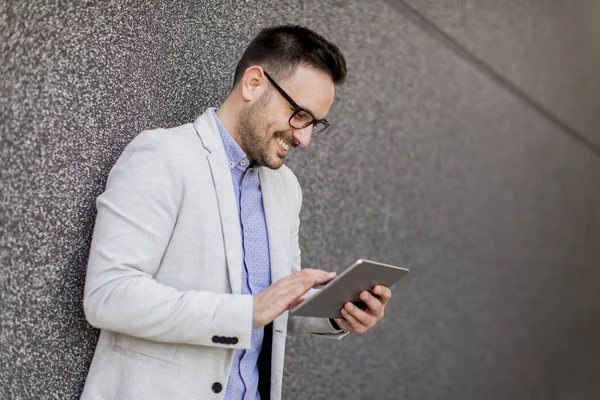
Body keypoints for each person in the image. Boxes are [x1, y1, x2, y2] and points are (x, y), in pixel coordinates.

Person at [81, 25, 393, 400]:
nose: (305, 138)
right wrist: (246, 312)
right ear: (254, 83)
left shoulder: (285, 188)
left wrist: (336, 311)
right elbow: (109, 295)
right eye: (299, 114)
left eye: (315, 123)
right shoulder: (162, 157)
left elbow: (275, 306)